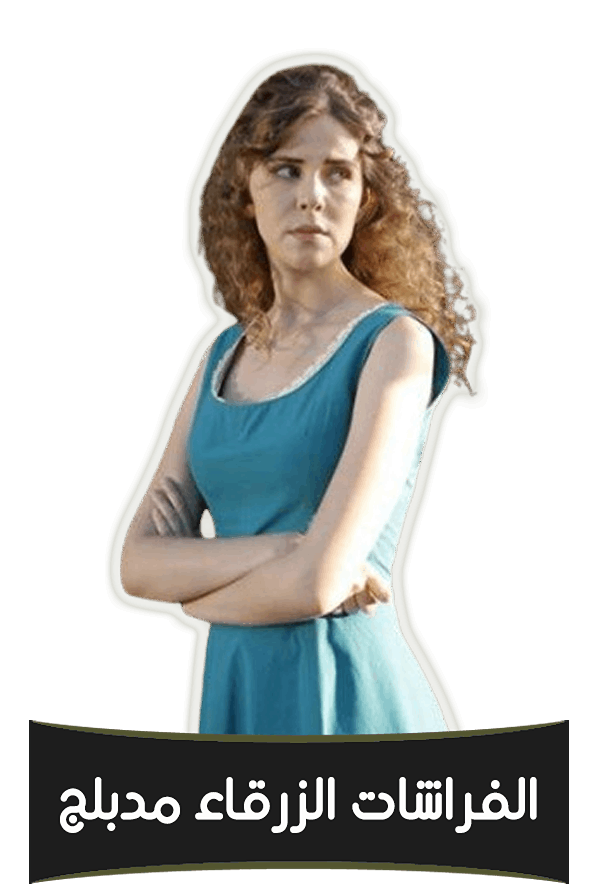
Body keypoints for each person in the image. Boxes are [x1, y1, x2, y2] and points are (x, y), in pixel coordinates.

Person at [120, 64, 476, 735]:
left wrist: (195, 603)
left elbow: (319, 584)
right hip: (240, 691)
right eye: (286, 169)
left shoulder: (395, 345)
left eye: (337, 172)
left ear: (365, 197)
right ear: (246, 190)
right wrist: (287, 547)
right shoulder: (221, 356)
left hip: (352, 696)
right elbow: (137, 565)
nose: (312, 196)